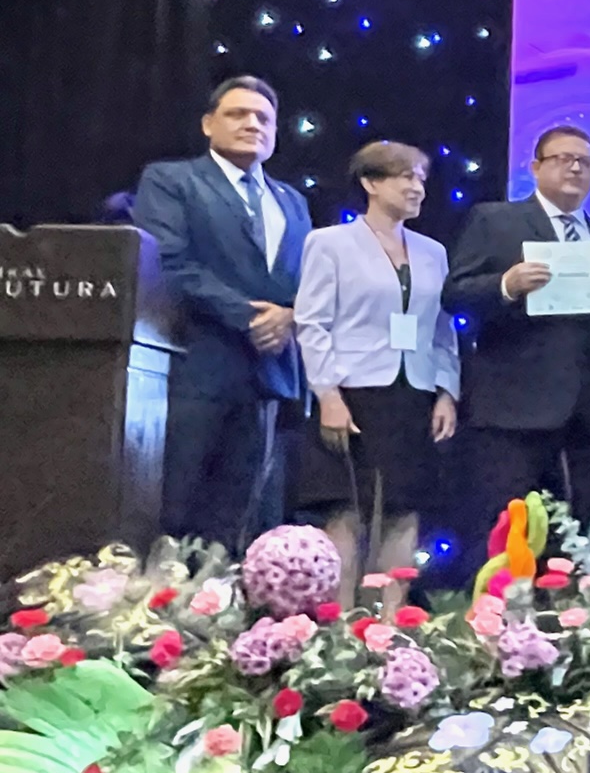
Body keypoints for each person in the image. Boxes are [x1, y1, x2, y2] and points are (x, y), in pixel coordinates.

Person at [133, 76, 310, 547]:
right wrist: (251, 317)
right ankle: (156, 615)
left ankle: (230, 616)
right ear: (209, 124)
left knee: (246, 521)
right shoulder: (171, 180)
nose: (253, 124)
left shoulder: (292, 200)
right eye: (238, 114)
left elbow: (306, 279)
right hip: (197, 369)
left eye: (264, 118)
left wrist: (290, 314)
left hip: (269, 378)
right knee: (176, 511)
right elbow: (169, 261)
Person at [443, 124, 590, 578]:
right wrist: (505, 285)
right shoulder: (497, 220)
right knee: (504, 532)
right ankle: (492, 633)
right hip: (510, 409)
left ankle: (561, 629)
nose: (575, 167)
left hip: (582, 414)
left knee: (569, 539)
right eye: (563, 158)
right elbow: (454, 293)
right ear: (535, 167)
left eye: (585, 161)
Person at [294, 142, 459, 607]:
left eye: (421, 178)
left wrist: (447, 390)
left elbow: (442, 328)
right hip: (352, 391)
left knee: (405, 511)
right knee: (346, 511)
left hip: (415, 393)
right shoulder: (329, 244)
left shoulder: (433, 253)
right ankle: (340, 628)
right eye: (403, 176)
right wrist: (326, 394)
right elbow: (312, 322)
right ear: (370, 183)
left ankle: (391, 626)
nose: (416, 187)